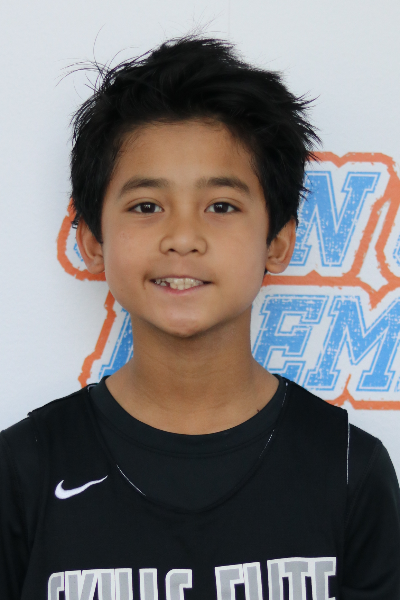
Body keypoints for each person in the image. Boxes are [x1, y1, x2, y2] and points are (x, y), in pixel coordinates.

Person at [1, 36, 399, 600]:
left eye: (221, 206)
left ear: (277, 242)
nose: (183, 238)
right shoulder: (23, 469)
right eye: (146, 206)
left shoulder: (350, 468)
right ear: (92, 241)